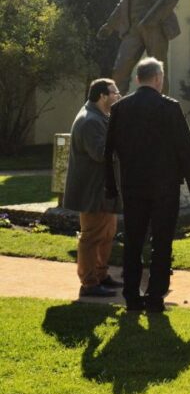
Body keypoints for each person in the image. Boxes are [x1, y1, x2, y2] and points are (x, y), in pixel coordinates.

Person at [104, 57, 190, 312]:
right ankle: (156, 296)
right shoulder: (169, 107)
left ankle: (131, 296)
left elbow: (108, 150)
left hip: (133, 184)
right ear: (158, 79)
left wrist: (111, 185)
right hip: (164, 186)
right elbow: (185, 148)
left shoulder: (120, 108)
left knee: (134, 241)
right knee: (162, 243)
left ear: (138, 79)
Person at [63, 78, 122, 298]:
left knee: (107, 234)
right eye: (115, 93)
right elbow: (100, 153)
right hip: (93, 191)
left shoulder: (101, 117)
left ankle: (100, 274)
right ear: (102, 96)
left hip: (103, 190)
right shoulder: (89, 121)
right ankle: (89, 283)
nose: (118, 96)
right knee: (91, 237)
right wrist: (126, 146)